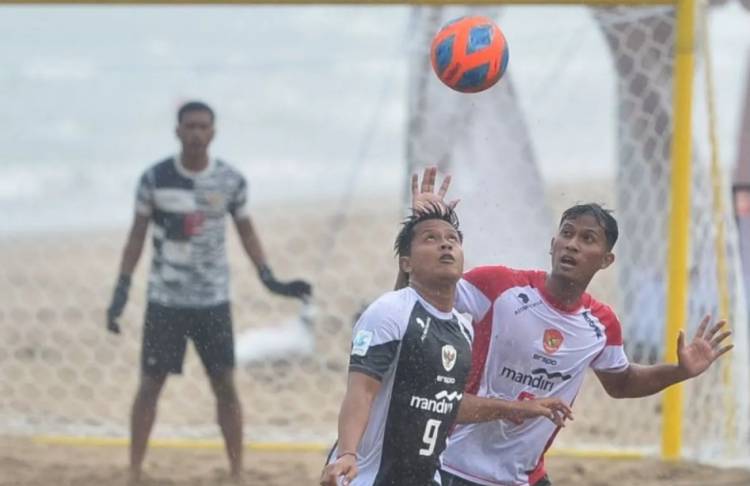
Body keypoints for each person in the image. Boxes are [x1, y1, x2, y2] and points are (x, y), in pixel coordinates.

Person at [407, 168, 733, 486]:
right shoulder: (498, 286)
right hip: (454, 466)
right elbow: (410, 303)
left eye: (587, 238)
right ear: (553, 244)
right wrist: (419, 231)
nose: (572, 244)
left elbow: (621, 383)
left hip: (525, 477)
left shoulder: (601, 324)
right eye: (567, 233)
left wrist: (680, 371)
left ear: (606, 260)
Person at [105, 100, 312, 481]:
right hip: (165, 301)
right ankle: (134, 470)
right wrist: (121, 288)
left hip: (213, 302)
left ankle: (236, 472)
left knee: (225, 385)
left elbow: (247, 230)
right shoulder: (155, 179)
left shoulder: (230, 181)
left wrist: (269, 277)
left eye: (204, 127)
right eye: (190, 126)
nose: (197, 133)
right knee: (150, 384)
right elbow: (136, 236)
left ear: (213, 133)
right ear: (178, 132)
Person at [320, 204, 573, 486]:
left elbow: (447, 404)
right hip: (367, 478)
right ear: (406, 263)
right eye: (431, 238)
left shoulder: (462, 329)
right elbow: (361, 392)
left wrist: (517, 408)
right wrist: (347, 454)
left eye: (452, 239)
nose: (445, 244)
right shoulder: (389, 311)